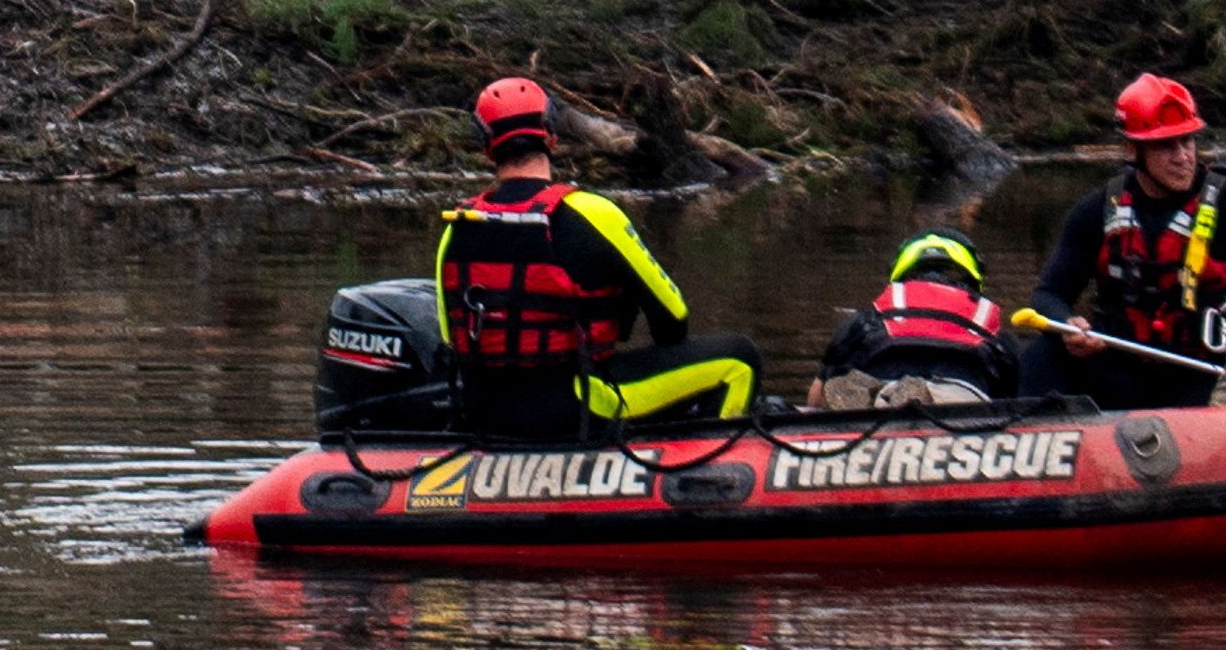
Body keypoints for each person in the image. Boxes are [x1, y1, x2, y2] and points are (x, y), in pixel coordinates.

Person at [435, 74, 756, 438]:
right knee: (738, 358)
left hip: (483, 411)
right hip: (572, 407)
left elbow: (452, 341)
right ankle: (707, 473)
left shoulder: (456, 227)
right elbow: (673, 320)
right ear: (551, 137)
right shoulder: (592, 213)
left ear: (487, 147)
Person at [1023, 71, 1226, 400]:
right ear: (1132, 150)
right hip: (1120, 371)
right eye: (1165, 146)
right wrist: (1068, 324)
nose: (1183, 157)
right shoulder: (1096, 210)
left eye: (1187, 141)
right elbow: (1047, 296)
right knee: (1040, 353)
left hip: (1201, 374)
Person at [814, 231, 1021, 407]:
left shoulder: (866, 320)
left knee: (840, 389)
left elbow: (815, 399)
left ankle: (885, 395)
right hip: (961, 396)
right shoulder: (995, 334)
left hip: (879, 377)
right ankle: (922, 397)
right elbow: (1016, 400)